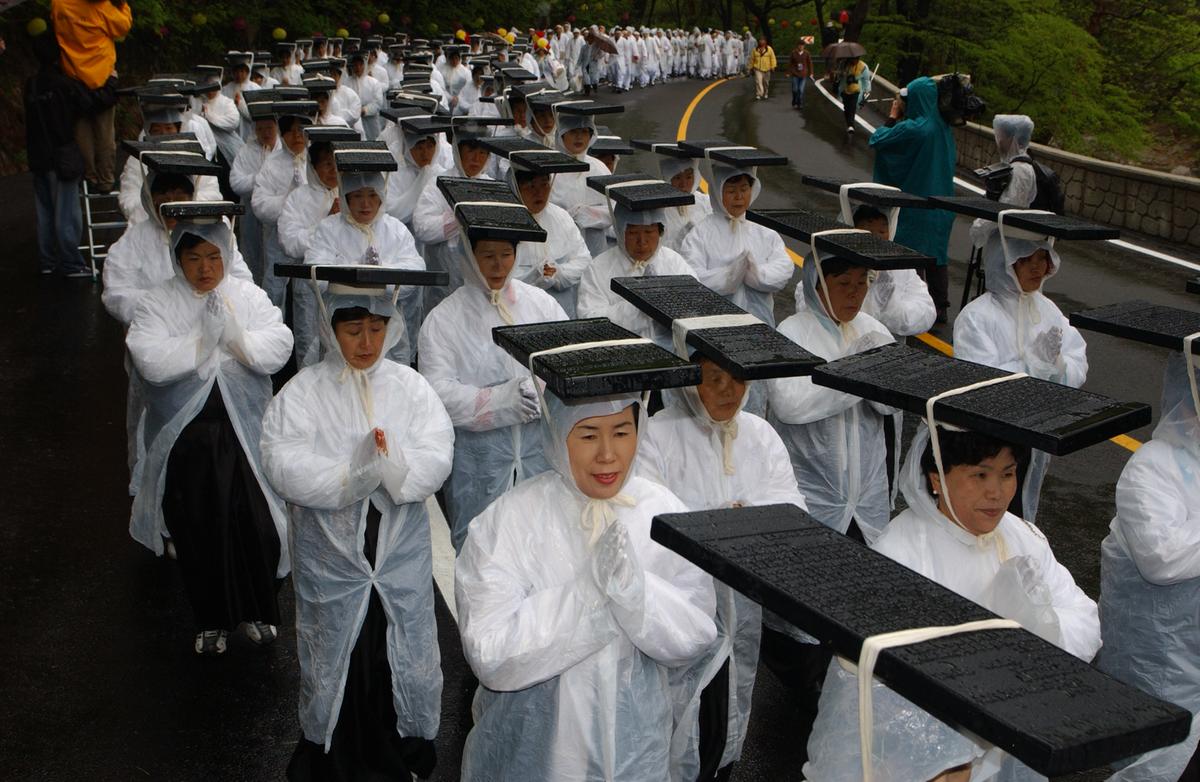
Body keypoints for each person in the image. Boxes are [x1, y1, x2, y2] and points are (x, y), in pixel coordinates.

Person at [804, 424, 1100, 780]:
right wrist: (942, 757)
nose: (996, 492)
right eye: (980, 475)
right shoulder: (901, 556)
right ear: (937, 478)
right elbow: (868, 685)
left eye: (1007, 474)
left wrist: (1039, 629)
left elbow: (1085, 617)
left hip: (1014, 741)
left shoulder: (1022, 537)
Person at [456, 384, 717, 780]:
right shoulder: (511, 520)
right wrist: (588, 595)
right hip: (536, 757)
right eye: (589, 435)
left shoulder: (662, 513)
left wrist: (638, 595)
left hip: (637, 755)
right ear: (557, 435)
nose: (608, 454)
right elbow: (489, 652)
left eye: (622, 432)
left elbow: (696, 633)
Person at [260, 279, 454, 781]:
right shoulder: (304, 392)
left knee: (396, 651)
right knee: (337, 654)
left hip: (396, 552)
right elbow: (281, 461)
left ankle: (402, 753)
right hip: (333, 556)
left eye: (376, 328)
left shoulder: (410, 387)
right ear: (330, 329)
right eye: (352, 330)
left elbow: (437, 451)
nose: (366, 342)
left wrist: (394, 469)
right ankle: (335, 757)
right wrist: (350, 477)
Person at [126, 206, 292, 655]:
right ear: (178, 259)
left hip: (244, 433)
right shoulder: (159, 302)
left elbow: (279, 344)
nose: (205, 268)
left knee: (258, 525)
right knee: (199, 530)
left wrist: (235, 337)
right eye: (194, 258)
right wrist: (202, 341)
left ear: (227, 255)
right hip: (190, 440)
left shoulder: (247, 295)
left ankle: (259, 609)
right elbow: (151, 359)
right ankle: (211, 619)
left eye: (214, 257)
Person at [640, 355, 807, 782]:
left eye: (737, 378)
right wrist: (731, 521)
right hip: (683, 614)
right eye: (714, 378)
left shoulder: (759, 434)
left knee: (730, 714)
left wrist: (736, 516)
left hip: (743, 613)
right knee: (678, 721)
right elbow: (650, 523)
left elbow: (792, 511)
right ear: (689, 380)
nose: (729, 390)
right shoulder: (658, 434)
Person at [418, 219, 567, 553]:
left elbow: (568, 359)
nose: (498, 265)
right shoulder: (444, 319)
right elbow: (435, 394)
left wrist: (541, 388)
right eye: (487, 256)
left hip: (540, 456)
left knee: (542, 548)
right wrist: (500, 401)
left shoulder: (541, 305)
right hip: (478, 465)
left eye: (505, 254)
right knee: (480, 550)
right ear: (470, 257)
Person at [1098, 352, 1200, 781]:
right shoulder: (1153, 466)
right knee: (1155, 754)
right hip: (1161, 653)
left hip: (1191, 648)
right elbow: (1162, 558)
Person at [953, 232, 1088, 522]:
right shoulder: (977, 316)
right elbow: (980, 385)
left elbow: (1077, 363)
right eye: (1025, 259)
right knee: (986, 514)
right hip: (989, 443)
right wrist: (1033, 366)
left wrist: (1059, 366)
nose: (1036, 267)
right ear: (1003, 262)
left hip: (1034, 434)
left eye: (1042, 257)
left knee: (1020, 514)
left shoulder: (1047, 309)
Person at [303, 162, 425, 367]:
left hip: (385, 324)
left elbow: (414, 271)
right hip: (341, 323)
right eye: (357, 196)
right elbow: (314, 271)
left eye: (372, 195)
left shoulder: (395, 229)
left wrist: (379, 271)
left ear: (382, 197)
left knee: (388, 377)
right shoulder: (329, 228)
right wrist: (358, 270)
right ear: (345, 198)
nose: (365, 204)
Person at [869, 76, 956, 322]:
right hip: (943, 204)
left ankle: (916, 308)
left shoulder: (915, 128)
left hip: (916, 204)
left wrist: (893, 116)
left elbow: (878, 139)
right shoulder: (943, 127)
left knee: (911, 255)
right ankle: (940, 306)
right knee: (937, 255)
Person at [680, 160, 793, 327]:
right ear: (718, 193)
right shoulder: (700, 234)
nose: (739, 197)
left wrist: (757, 274)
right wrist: (728, 276)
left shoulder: (764, 234)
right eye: (731, 191)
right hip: (714, 326)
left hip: (760, 326)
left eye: (744, 189)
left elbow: (784, 267)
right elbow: (690, 278)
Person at [412, 117, 502, 314]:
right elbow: (422, 228)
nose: (476, 158)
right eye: (470, 150)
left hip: (481, 282)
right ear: (457, 150)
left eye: (483, 152)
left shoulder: (493, 189)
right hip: (444, 279)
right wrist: (459, 218)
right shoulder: (438, 184)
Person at [577, 204, 697, 349]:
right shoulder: (598, 268)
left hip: (674, 353)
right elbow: (590, 320)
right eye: (633, 232)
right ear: (620, 232)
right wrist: (640, 308)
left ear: (660, 232)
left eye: (649, 231)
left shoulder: (673, 262)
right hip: (620, 353)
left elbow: (696, 303)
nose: (642, 241)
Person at [25, 31, 90, 278]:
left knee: (44, 212)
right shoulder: (64, 84)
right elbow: (87, 104)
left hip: (37, 156)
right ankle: (71, 263)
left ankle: (48, 261)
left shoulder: (31, 84)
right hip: (61, 157)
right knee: (66, 213)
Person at [51, 0, 132, 194]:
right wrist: (122, 4)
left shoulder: (60, 4)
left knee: (81, 132)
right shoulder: (103, 7)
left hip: (74, 79)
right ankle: (105, 180)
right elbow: (123, 26)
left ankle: (89, 176)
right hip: (102, 79)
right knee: (104, 134)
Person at [251, 102, 318, 309]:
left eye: (301, 130)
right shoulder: (273, 163)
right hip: (279, 237)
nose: (296, 136)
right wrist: (286, 201)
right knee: (274, 287)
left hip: (312, 236)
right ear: (282, 134)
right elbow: (259, 204)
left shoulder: (317, 159)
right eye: (290, 131)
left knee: (308, 294)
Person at [508, 167, 592, 317]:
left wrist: (558, 273)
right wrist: (535, 276)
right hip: (520, 311)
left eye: (544, 184)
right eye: (531, 186)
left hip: (562, 308)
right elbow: (497, 276)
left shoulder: (561, 217)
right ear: (516, 187)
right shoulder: (504, 223)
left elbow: (584, 260)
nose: (539, 192)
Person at [853, 205, 936, 337]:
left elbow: (926, 313)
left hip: (890, 345)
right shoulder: (838, 265)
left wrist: (890, 306)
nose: (876, 237)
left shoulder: (899, 266)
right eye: (868, 231)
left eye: (882, 231)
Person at [228, 101, 279, 284]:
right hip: (250, 212)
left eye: (269, 128)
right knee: (251, 253)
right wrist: (259, 178)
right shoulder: (246, 151)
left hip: (276, 214)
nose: (265, 133)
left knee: (273, 257)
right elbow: (236, 182)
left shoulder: (283, 150)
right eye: (260, 129)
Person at [969, 115, 1038, 248]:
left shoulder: (1020, 170)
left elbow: (1008, 208)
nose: (999, 141)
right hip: (1006, 239)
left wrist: (979, 227)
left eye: (1001, 136)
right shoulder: (1017, 166)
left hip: (1008, 243)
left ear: (1012, 138)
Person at [832, 55, 870, 131]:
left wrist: (867, 91)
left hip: (855, 90)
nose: (855, 61)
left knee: (852, 107)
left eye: (857, 59)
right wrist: (842, 74)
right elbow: (838, 76)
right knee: (846, 108)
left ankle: (851, 125)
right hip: (844, 89)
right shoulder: (844, 64)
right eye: (853, 59)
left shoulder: (863, 66)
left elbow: (866, 80)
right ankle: (849, 123)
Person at [787, 39, 813, 110]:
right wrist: (788, 72)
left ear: (804, 46)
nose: (801, 47)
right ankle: (794, 100)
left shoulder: (807, 53)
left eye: (802, 45)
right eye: (800, 45)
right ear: (797, 46)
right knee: (795, 89)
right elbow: (790, 63)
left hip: (803, 74)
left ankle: (800, 103)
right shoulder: (793, 53)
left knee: (801, 90)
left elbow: (810, 63)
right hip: (795, 74)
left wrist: (811, 73)